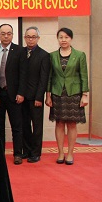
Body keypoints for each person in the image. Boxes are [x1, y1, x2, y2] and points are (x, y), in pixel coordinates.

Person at [46, 27, 88, 166]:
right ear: (57, 39)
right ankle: (60, 152)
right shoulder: (52, 56)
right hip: (57, 93)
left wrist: (84, 95)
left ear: (71, 38)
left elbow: (84, 76)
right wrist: (48, 95)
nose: (63, 40)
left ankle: (70, 153)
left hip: (74, 94)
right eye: (61, 37)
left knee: (71, 124)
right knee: (59, 123)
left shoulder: (80, 55)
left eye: (66, 37)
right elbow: (50, 77)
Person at [0, 23, 25, 165]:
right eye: (3, 33)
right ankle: (0, 153)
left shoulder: (20, 50)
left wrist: (21, 92)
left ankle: (18, 154)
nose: (6, 36)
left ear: (12, 35)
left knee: (16, 125)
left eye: (9, 33)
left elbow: (23, 73)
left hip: (14, 94)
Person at [20, 26, 50, 163]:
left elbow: (44, 79)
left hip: (35, 97)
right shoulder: (21, 53)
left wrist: (39, 97)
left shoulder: (44, 55)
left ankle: (36, 152)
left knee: (37, 126)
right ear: (24, 38)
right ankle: (26, 150)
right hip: (22, 96)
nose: (30, 39)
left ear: (38, 38)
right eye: (28, 37)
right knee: (24, 124)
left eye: (33, 37)